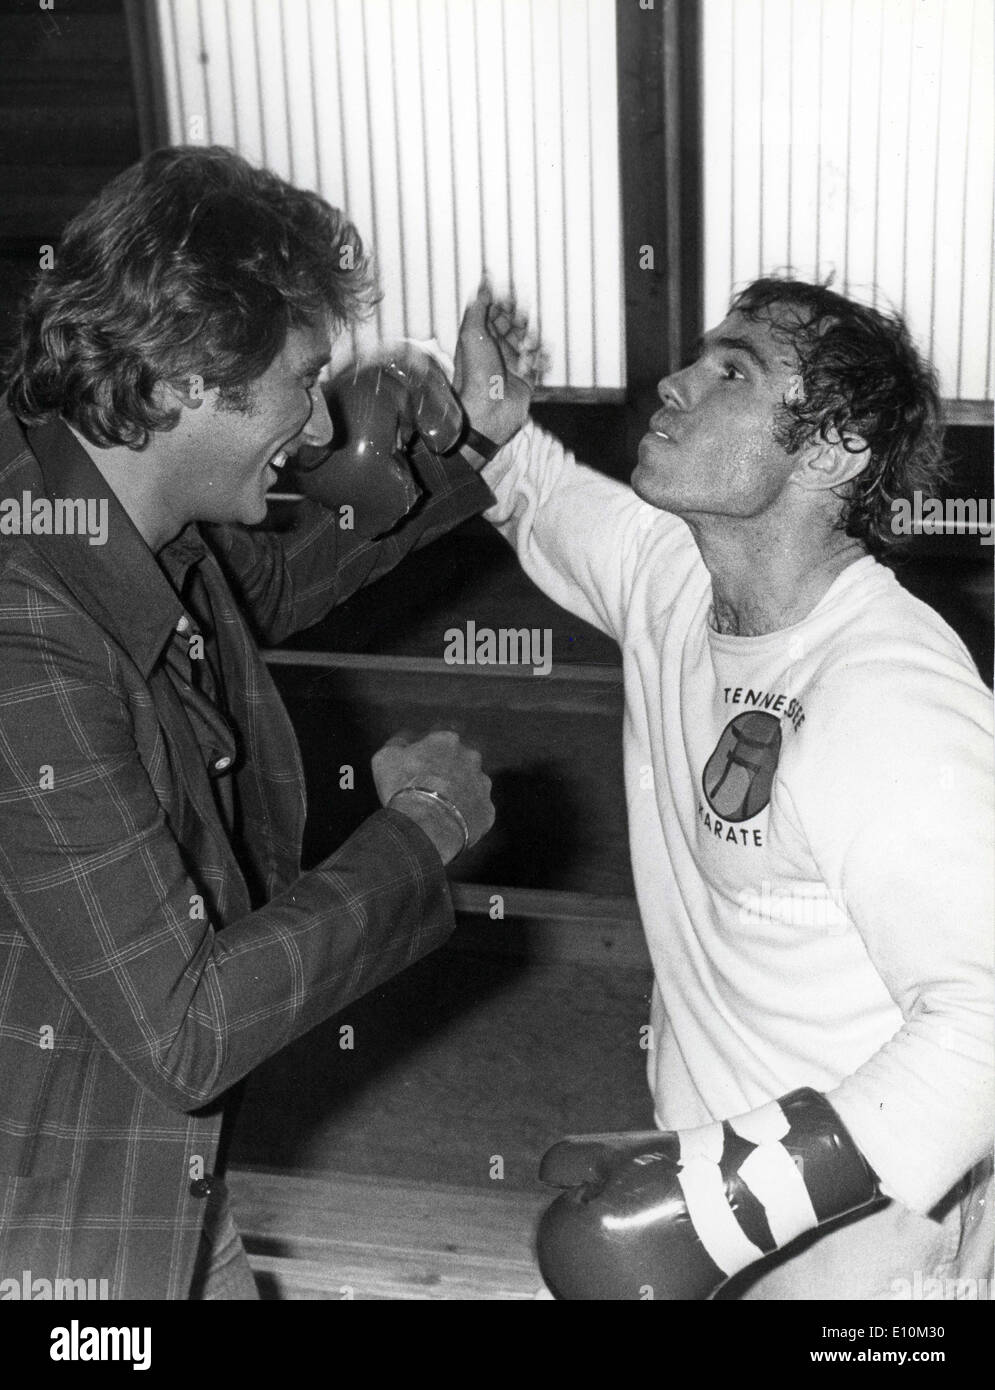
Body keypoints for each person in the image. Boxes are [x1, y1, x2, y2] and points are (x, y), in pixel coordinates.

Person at [0, 146, 525, 1300]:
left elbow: (262, 588)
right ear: (192, 375)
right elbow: (186, 1023)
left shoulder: (86, 490)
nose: (319, 412)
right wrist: (419, 834)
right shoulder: (24, 635)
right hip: (54, 1227)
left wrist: (472, 443)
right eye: (302, 375)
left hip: (148, 1168)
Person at [455, 277, 994, 1299]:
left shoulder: (885, 698)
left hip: (867, 1246)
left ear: (830, 450)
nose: (674, 382)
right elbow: (551, 503)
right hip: (707, 1177)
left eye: (731, 370)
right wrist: (497, 428)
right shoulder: (676, 576)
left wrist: (729, 1198)